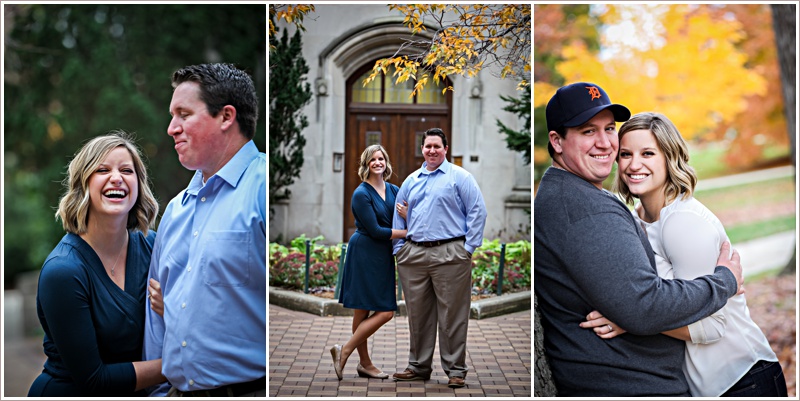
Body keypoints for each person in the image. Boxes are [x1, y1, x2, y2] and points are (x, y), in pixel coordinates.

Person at [534, 82, 745, 396]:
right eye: (588, 131)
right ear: (557, 140)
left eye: (609, 129)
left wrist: (629, 314)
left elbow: (634, 306)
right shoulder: (585, 209)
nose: (607, 143)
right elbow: (644, 307)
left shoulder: (570, 196)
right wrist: (725, 281)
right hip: (635, 386)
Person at [579, 112, 787, 396]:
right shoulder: (634, 219)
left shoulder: (682, 221)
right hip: (705, 386)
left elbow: (712, 325)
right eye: (625, 154)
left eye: (648, 153)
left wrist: (628, 318)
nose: (634, 164)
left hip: (743, 378)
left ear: (669, 158)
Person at [143, 63, 266, 397]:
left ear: (226, 117)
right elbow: (157, 323)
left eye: (184, 114)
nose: (171, 128)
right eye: (172, 115)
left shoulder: (263, 188)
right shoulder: (175, 210)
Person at [28, 132, 165, 396]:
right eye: (102, 169)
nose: (117, 177)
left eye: (127, 170)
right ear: (83, 184)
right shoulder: (63, 271)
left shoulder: (154, 247)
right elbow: (94, 381)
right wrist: (180, 366)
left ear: (138, 185)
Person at [391, 128, 487, 388]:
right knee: (417, 315)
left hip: (450, 253)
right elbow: (399, 217)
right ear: (422, 149)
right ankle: (418, 366)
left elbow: (477, 211)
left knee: (452, 315)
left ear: (446, 148)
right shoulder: (411, 180)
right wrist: (400, 249)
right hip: (413, 255)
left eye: (436, 146)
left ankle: (455, 369)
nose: (431, 150)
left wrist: (468, 248)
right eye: (427, 146)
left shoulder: (460, 177)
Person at [330, 144, 408, 380]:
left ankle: (358, 360)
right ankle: (350, 354)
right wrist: (407, 233)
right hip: (364, 252)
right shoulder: (361, 194)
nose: (377, 162)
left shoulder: (395, 190)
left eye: (381, 158)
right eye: (372, 159)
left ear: (386, 162)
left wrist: (408, 217)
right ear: (366, 164)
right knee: (376, 311)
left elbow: (407, 214)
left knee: (373, 312)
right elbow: (374, 230)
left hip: (383, 255)